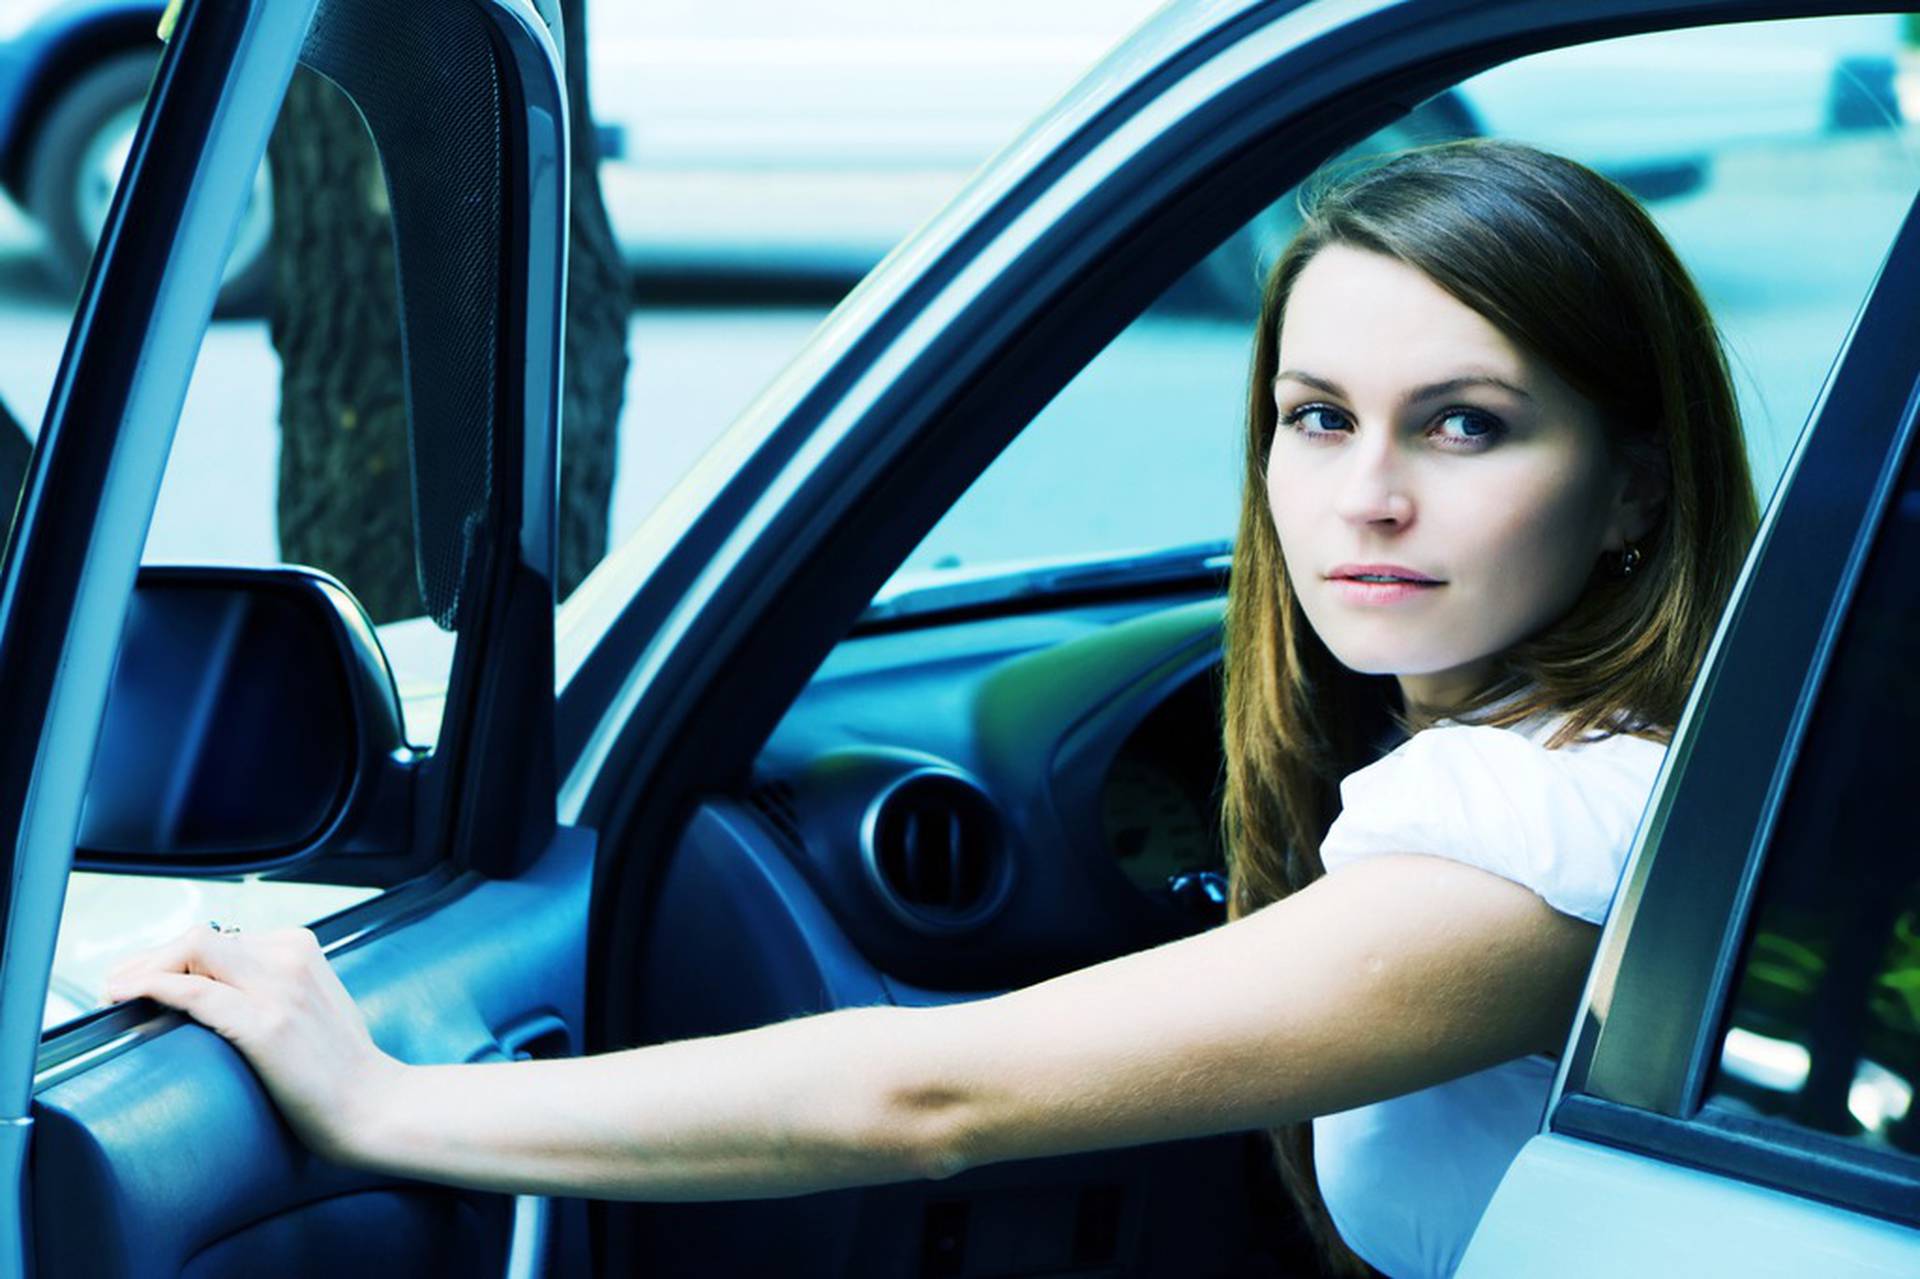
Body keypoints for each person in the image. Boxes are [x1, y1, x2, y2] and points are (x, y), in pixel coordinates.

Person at [104, 139, 1756, 1279]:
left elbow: (933, 1097)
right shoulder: (1622, 773)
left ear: (1632, 490)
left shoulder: (1534, 827)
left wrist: (389, 1101)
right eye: (1318, 418)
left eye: (1463, 427)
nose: (1365, 497)